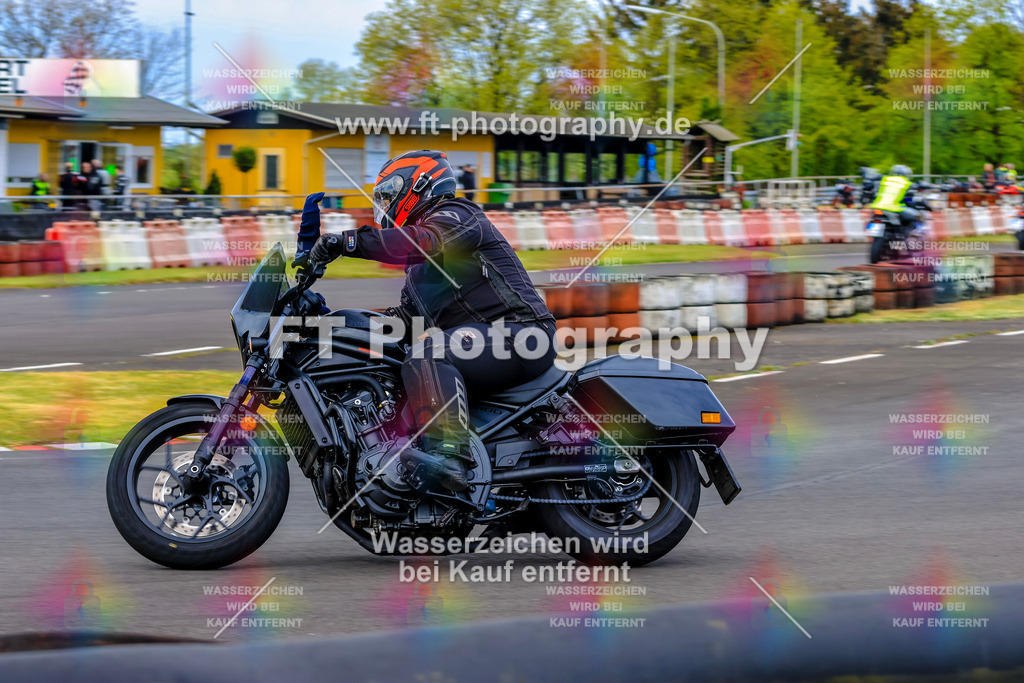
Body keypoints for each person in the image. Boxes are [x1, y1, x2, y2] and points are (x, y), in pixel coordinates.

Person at [296, 150, 556, 492]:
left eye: (390, 194)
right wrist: (327, 324)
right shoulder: (419, 272)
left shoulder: (458, 216)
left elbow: (423, 242)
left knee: (428, 353)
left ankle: (450, 458)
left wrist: (347, 241)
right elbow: (401, 324)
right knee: (400, 365)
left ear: (419, 184)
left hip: (521, 334)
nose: (386, 204)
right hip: (482, 343)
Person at [871, 164, 923, 233]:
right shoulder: (907, 183)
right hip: (894, 208)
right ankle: (906, 237)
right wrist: (915, 200)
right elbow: (907, 199)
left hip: (877, 207)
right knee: (913, 218)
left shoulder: (884, 180)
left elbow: (873, 192)